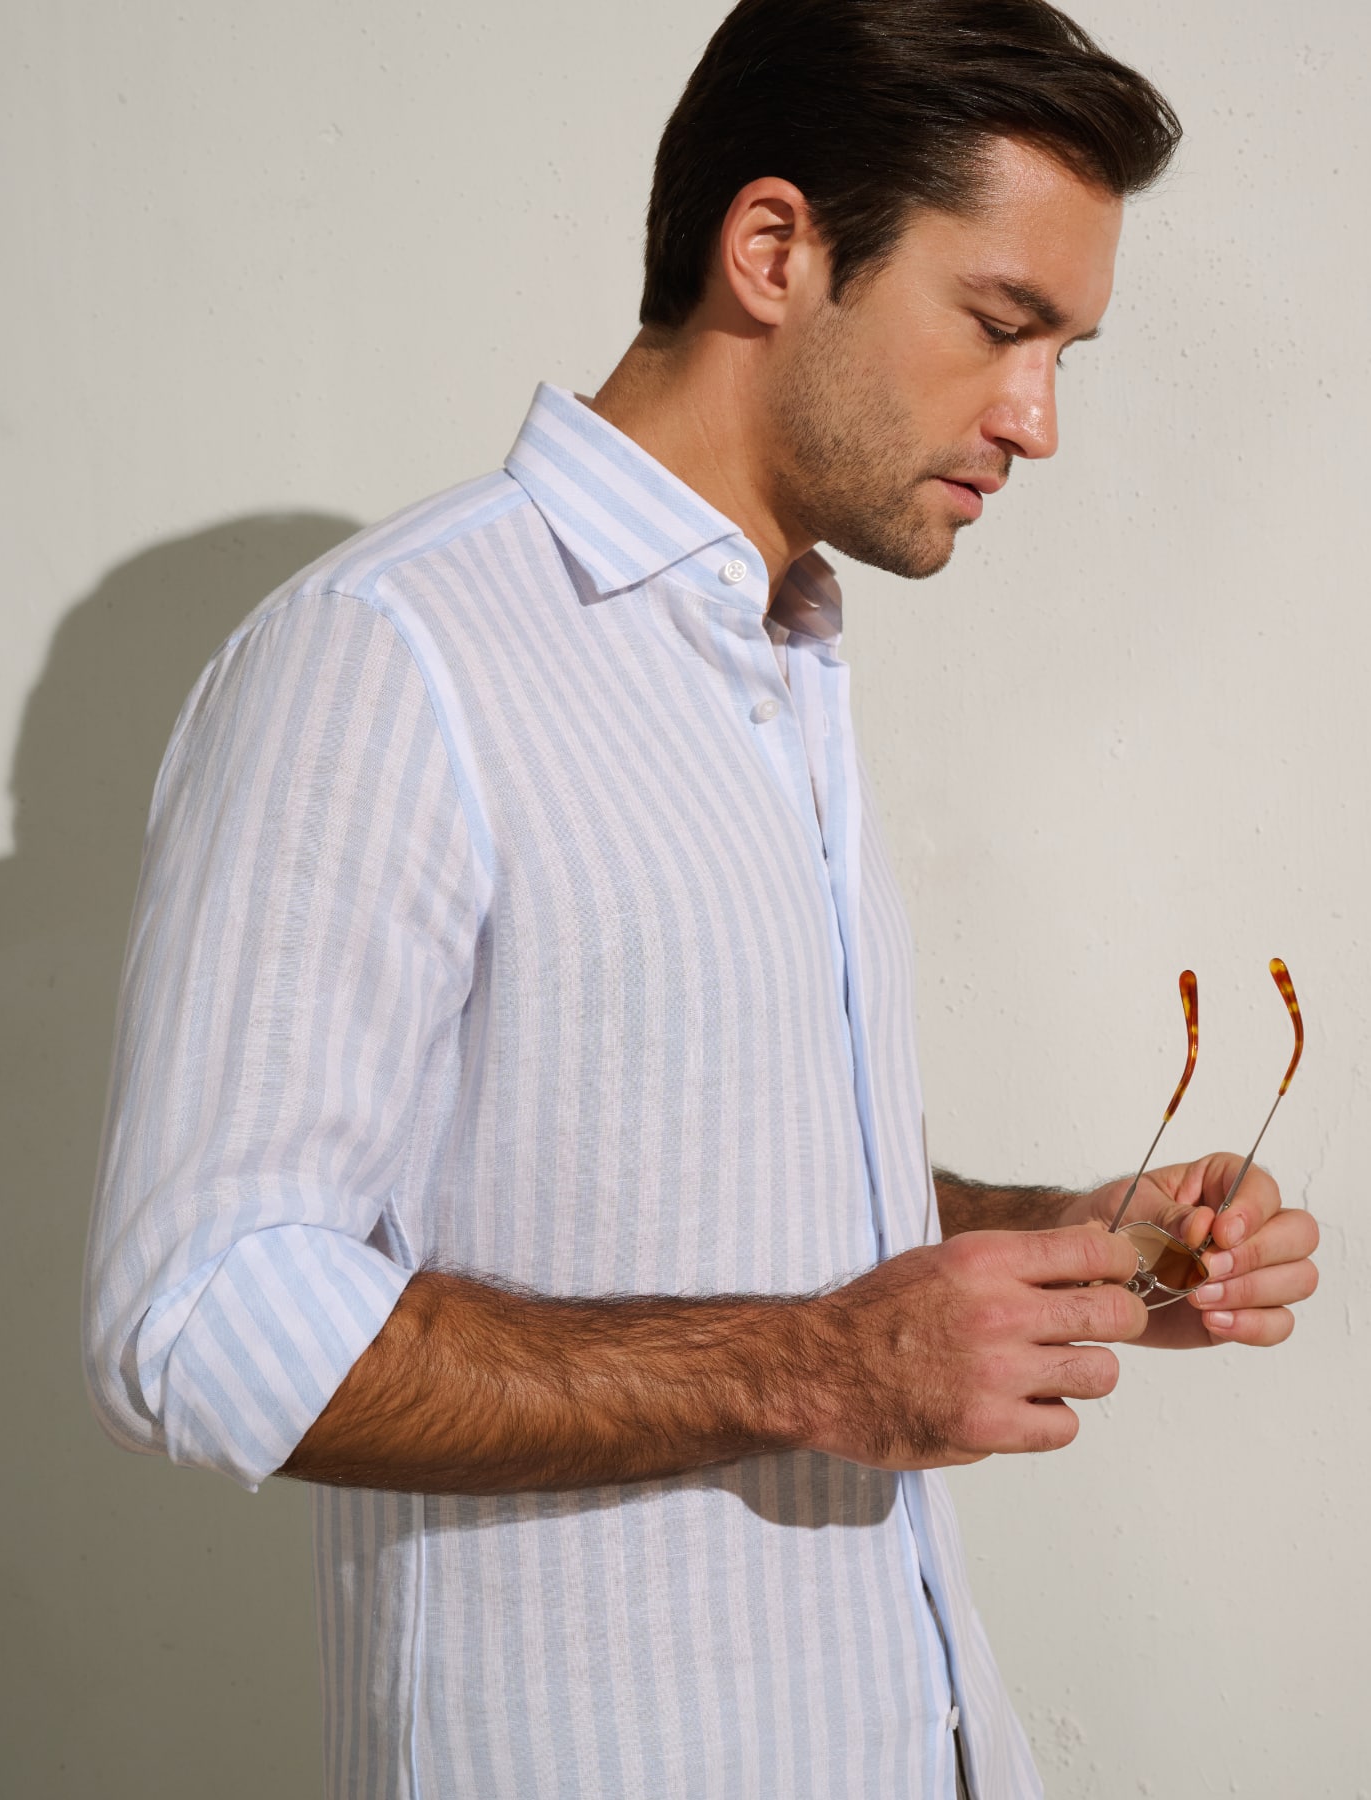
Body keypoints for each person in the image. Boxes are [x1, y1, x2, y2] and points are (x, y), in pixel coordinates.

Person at [82, 2, 1320, 1794]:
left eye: (1069, 350)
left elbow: (730, 1192)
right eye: (1000, 325)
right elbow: (195, 1317)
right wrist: (815, 1367)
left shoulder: (785, 660)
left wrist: (1078, 1239)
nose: (1039, 420)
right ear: (773, 249)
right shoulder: (388, 658)